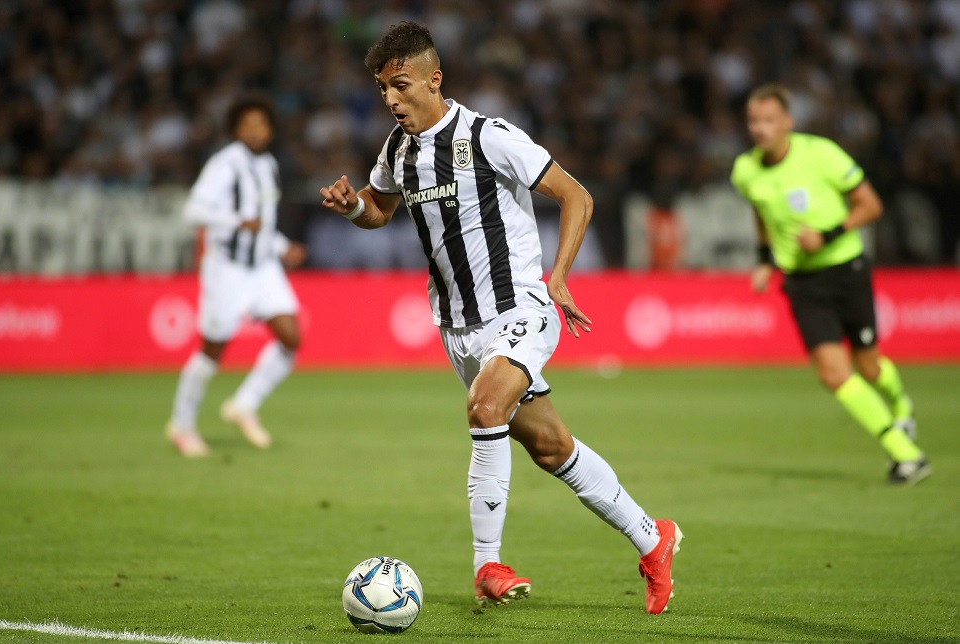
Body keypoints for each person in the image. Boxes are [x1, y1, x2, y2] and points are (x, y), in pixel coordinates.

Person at [320, 22, 682, 614]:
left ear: (434, 79)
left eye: (400, 85)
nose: (390, 99)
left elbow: (577, 195)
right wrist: (353, 206)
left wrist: (558, 277)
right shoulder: (397, 150)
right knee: (551, 448)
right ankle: (653, 538)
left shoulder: (488, 136)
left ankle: (486, 564)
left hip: (519, 307)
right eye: (383, 88)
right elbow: (379, 209)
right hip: (457, 329)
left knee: (486, 409)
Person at [730, 84, 930, 485]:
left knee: (869, 366)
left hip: (845, 270)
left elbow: (871, 205)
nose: (759, 128)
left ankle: (900, 406)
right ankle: (905, 453)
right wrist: (765, 260)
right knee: (833, 373)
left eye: (768, 120)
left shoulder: (821, 154)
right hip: (802, 283)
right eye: (753, 120)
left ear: (787, 122)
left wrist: (827, 235)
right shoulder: (745, 171)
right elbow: (761, 213)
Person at [166, 92, 306, 458]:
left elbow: (263, 224)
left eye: (262, 124)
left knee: (290, 337)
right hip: (226, 268)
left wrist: (281, 247)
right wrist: (234, 221)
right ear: (235, 130)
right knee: (212, 350)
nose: (256, 131)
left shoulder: (268, 164)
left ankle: (244, 405)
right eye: (248, 125)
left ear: (271, 129)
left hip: (263, 267)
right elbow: (193, 212)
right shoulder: (224, 165)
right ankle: (181, 425)